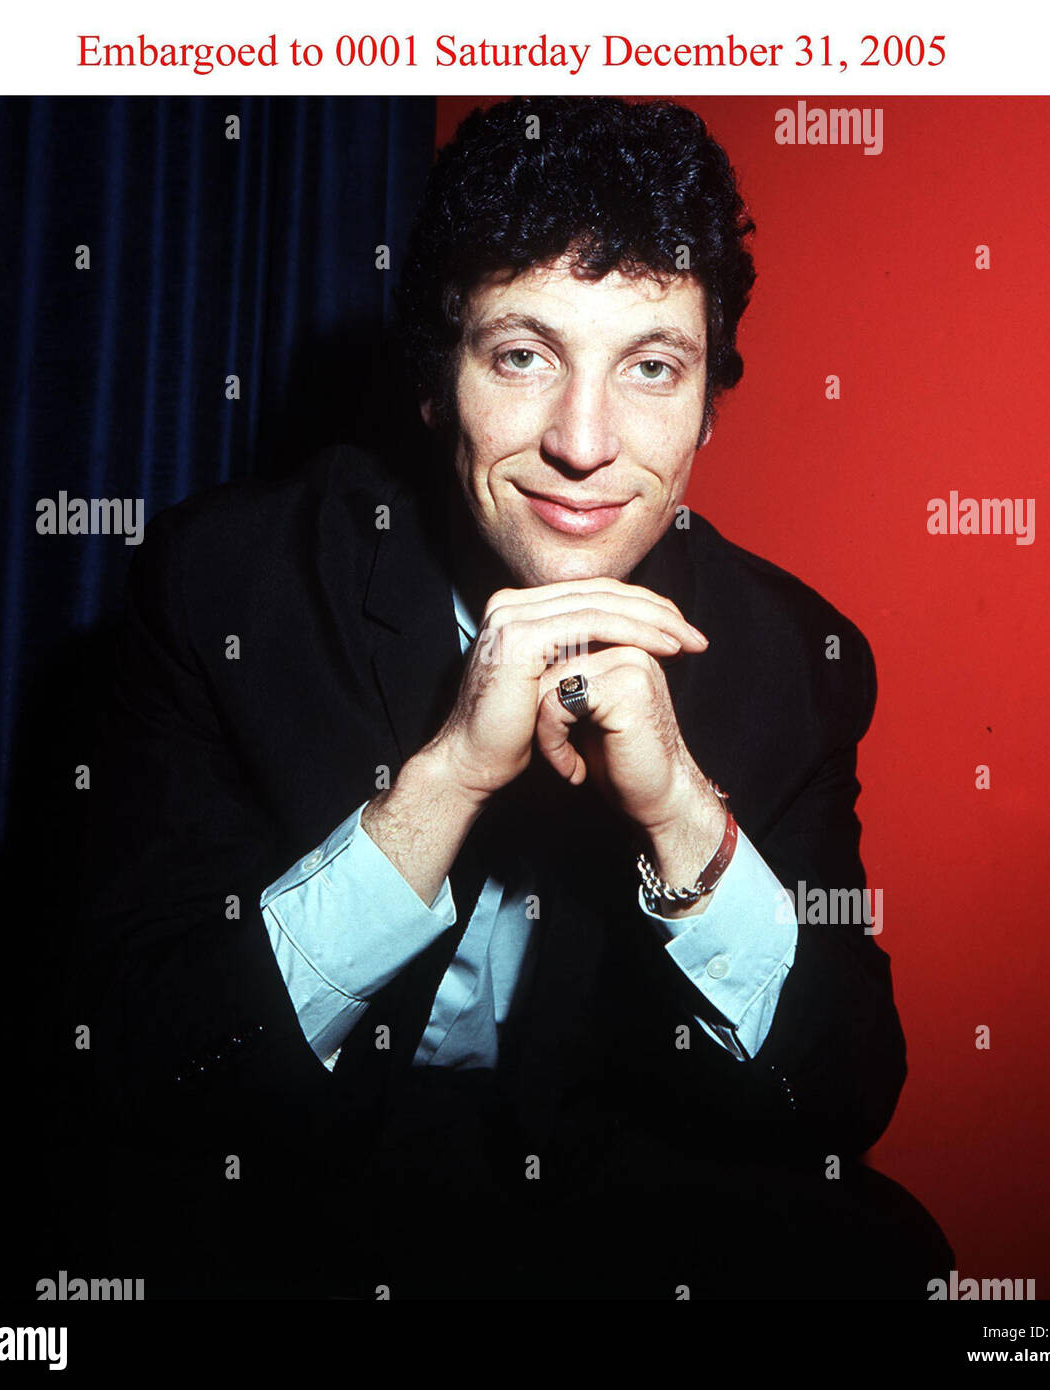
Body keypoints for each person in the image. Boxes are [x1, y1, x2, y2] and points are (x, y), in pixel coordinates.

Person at [78, 95, 952, 1299]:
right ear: (439, 385)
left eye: (652, 366)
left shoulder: (794, 656)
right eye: (523, 355)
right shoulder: (232, 585)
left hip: (605, 1184)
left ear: (709, 404)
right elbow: (144, 1059)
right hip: (296, 1165)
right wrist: (444, 781)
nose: (585, 442)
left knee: (888, 1262)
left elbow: (841, 1095)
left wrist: (685, 817)